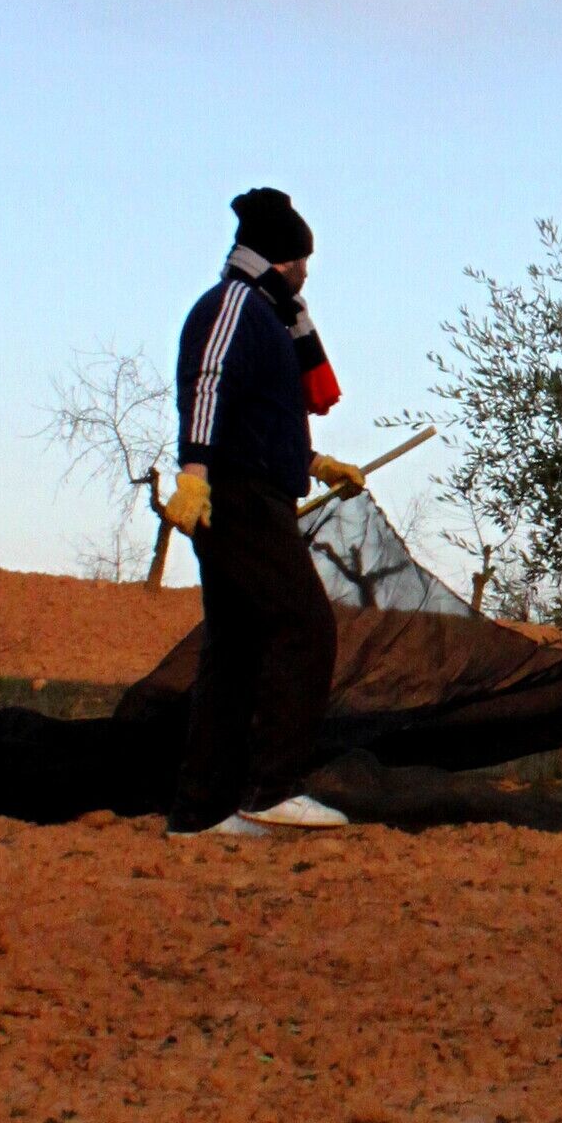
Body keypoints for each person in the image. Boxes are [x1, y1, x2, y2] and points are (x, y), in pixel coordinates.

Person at [160, 187, 366, 835]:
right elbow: (209, 387)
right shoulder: (234, 307)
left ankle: (202, 812)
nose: (308, 270)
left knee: (236, 649)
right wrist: (194, 476)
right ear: (283, 258)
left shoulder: (270, 322)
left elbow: (259, 420)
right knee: (305, 626)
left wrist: (314, 463)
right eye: (303, 258)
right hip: (236, 494)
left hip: (256, 488)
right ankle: (273, 787)